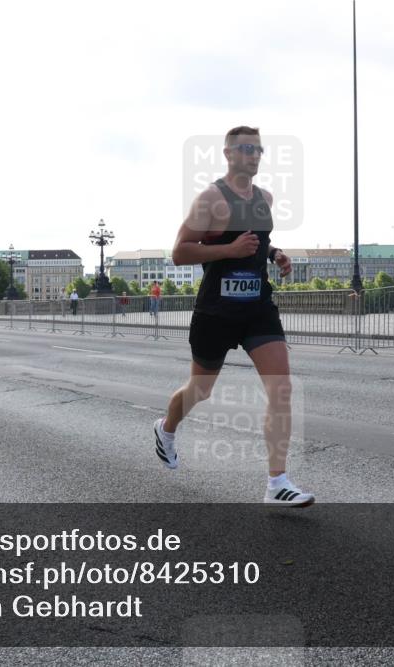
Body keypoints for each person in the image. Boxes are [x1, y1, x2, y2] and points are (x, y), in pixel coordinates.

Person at [154, 126, 312, 507]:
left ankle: (277, 483)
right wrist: (230, 249)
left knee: (281, 387)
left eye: (258, 149)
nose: (254, 155)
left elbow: (258, 240)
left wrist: (275, 255)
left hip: (258, 308)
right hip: (216, 312)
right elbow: (180, 252)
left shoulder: (265, 198)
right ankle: (166, 427)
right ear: (228, 154)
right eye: (246, 148)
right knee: (200, 390)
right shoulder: (209, 199)